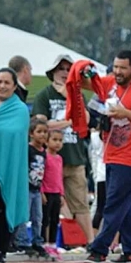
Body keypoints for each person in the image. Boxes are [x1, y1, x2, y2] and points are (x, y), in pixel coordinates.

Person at [84, 50, 131, 263]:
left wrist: (127, 114)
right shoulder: (110, 84)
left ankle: (99, 250)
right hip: (110, 155)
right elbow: (87, 83)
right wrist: (82, 68)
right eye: (115, 67)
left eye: (123, 68)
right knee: (124, 205)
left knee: (114, 204)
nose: (118, 71)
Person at [32, 54, 95, 246]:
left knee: (81, 204)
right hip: (50, 158)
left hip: (75, 157)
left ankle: (91, 242)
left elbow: (86, 121)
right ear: (52, 73)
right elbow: (40, 123)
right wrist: (66, 122)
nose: (64, 73)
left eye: (69, 70)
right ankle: (45, 243)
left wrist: (72, 96)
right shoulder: (45, 95)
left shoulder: (78, 95)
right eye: (60, 69)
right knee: (48, 203)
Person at [0, 68, 29, 263]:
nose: (2, 86)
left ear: (15, 86)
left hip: (5, 167)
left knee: (2, 207)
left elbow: (13, 133)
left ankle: (1, 251)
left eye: (7, 83)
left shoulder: (20, 109)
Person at [19, 117, 49, 257]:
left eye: (45, 132)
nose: (42, 134)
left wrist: (42, 190)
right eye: (39, 131)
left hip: (37, 189)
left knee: (38, 217)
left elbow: (41, 172)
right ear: (31, 134)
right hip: (26, 188)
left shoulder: (43, 151)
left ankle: (38, 241)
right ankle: (23, 242)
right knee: (24, 216)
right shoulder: (28, 149)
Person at [42, 129, 65, 247]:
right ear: (46, 141)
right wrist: (41, 192)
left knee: (55, 219)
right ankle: (43, 242)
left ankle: (52, 243)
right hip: (46, 192)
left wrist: (62, 194)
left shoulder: (60, 158)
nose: (58, 143)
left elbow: (59, 176)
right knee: (45, 219)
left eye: (60, 140)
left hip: (56, 193)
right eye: (54, 140)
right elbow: (40, 174)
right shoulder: (44, 156)